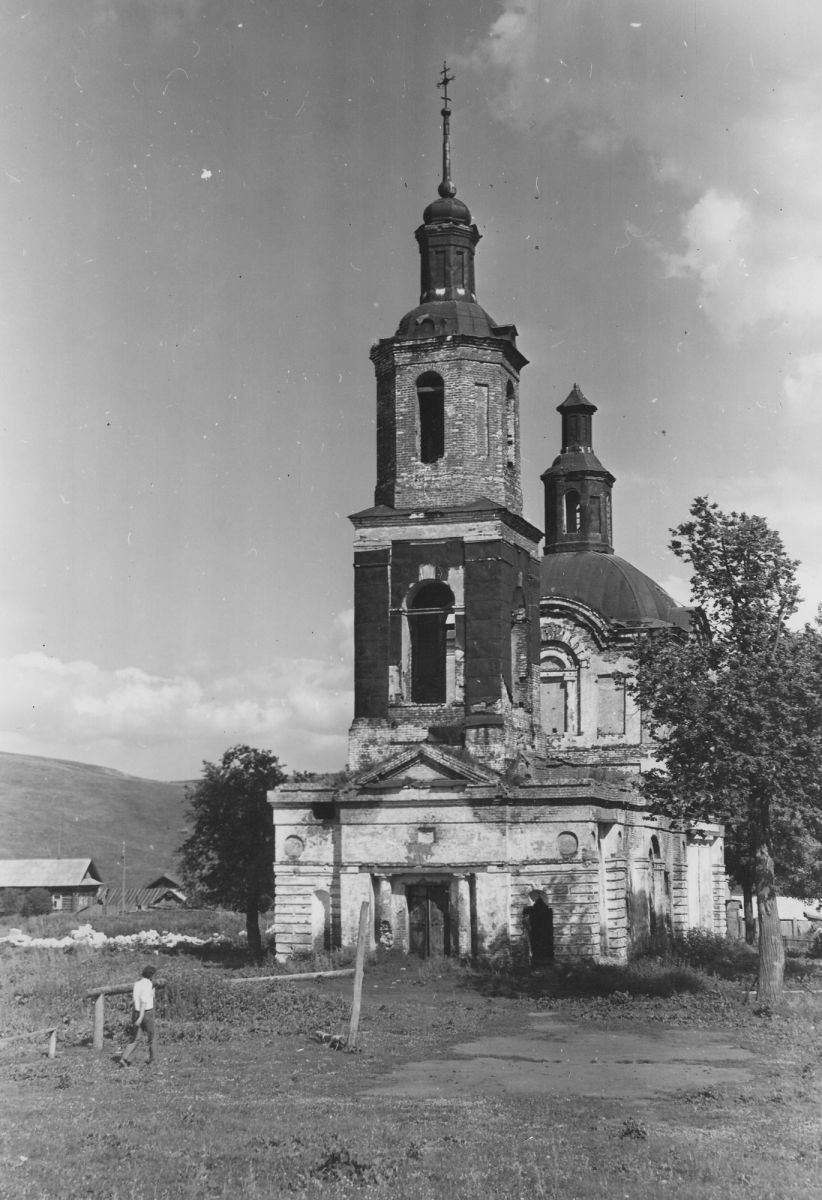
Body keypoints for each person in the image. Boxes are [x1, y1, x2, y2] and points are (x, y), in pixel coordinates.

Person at [118, 965, 157, 1067]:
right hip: (146, 1013)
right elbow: (144, 1001)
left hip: (136, 1012)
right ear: (152, 975)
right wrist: (141, 1017)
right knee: (151, 1037)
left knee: (135, 1039)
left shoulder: (137, 984)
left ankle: (125, 1058)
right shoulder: (149, 983)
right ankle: (153, 1060)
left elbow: (136, 999)